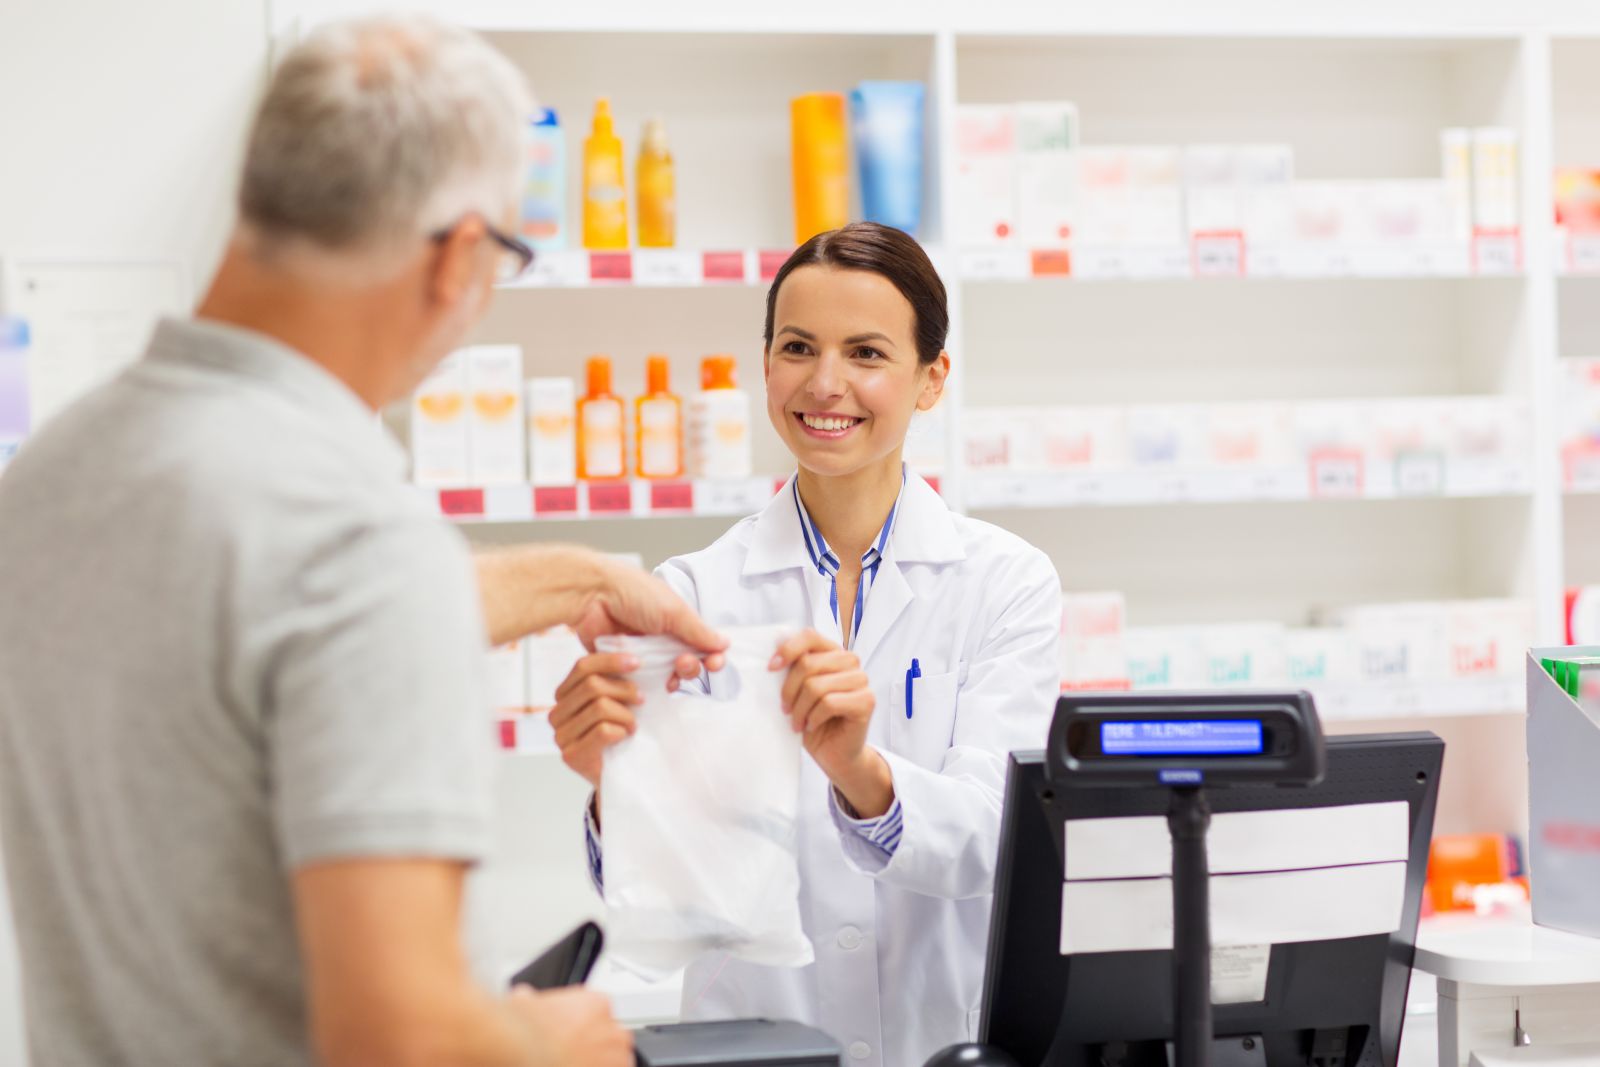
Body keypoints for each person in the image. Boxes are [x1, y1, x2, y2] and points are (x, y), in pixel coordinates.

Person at [0, 16, 725, 1067]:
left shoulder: (53, 473)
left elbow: (248, 632)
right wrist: (544, 1039)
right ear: (460, 256)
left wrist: (585, 576)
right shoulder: (355, 535)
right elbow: (401, 1036)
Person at [551, 222, 1063, 1067]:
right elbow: (669, 897)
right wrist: (615, 789)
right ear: (764, 364)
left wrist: (859, 770)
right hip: (753, 1046)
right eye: (798, 347)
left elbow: (993, 843)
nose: (826, 385)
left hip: (939, 1039)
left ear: (931, 379)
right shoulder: (692, 595)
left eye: (866, 353)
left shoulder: (1006, 583)